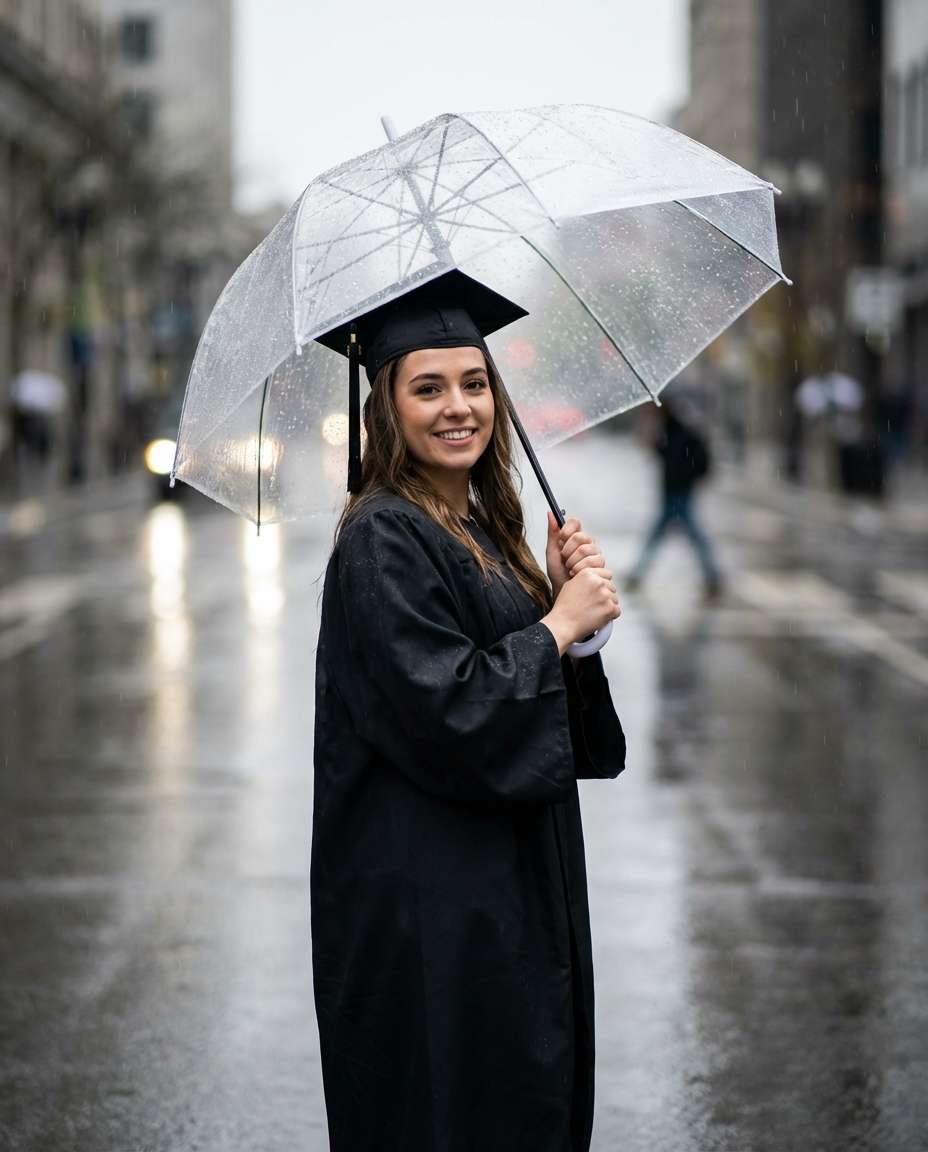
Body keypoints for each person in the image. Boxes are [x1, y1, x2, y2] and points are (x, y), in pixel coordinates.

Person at [311, 272, 626, 1152]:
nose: (460, 407)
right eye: (429, 387)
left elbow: (555, 726)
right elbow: (444, 708)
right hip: (431, 915)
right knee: (452, 1114)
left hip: (505, 897)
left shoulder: (484, 526)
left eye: (475, 381)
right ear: (387, 409)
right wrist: (556, 628)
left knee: (518, 1103)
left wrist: (571, 622)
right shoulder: (382, 539)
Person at [625, 399, 722, 598]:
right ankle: (712, 577)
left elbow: (676, 460)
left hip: (677, 493)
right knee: (680, 535)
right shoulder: (670, 430)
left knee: (679, 535)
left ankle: (712, 577)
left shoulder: (677, 432)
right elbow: (667, 455)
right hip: (674, 492)